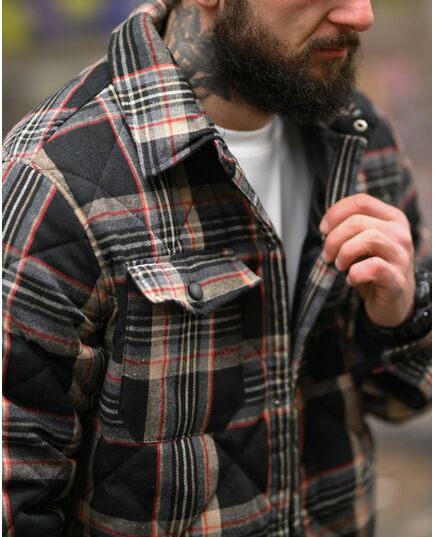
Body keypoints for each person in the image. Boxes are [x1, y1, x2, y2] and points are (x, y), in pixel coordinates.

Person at [2, 0, 431, 536]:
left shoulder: (359, 137)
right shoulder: (54, 178)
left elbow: (401, 400)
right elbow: (16, 493)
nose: (362, 15)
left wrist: (398, 315)